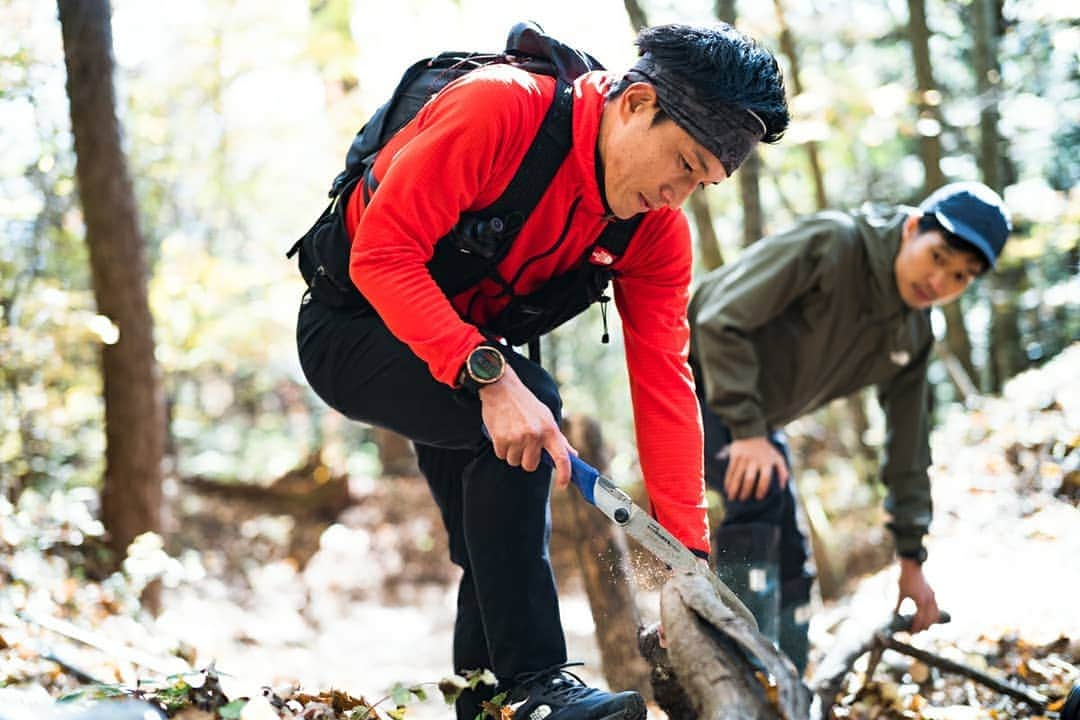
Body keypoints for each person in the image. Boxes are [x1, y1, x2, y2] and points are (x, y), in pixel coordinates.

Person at [295, 22, 789, 720]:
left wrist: (688, 556)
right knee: (535, 407)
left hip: (457, 360)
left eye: (702, 183)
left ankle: (491, 706)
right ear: (636, 102)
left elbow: (665, 384)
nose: (679, 195)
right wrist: (492, 377)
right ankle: (536, 686)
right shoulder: (499, 108)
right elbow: (380, 254)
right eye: (683, 163)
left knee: (488, 544)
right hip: (351, 328)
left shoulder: (654, 232)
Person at [689, 181, 1012, 674]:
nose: (940, 280)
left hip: (753, 416)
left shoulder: (915, 332)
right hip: (686, 375)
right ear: (911, 229)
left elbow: (909, 448)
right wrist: (749, 431)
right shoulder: (834, 243)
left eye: (962, 276)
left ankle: (789, 688)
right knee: (759, 493)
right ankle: (741, 677)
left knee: (794, 556)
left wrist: (911, 560)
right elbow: (716, 319)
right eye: (939, 256)